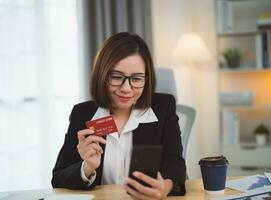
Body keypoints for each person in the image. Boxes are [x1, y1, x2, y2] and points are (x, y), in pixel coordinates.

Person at [51, 32, 186, 198]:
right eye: (116, 77)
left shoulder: (163, 107)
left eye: (136, 79)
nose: (126, 89)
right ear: (102, 75)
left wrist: (164, 186)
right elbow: (58, 178)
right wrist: (87, 167)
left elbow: (175, 163)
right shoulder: (83, 114)